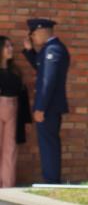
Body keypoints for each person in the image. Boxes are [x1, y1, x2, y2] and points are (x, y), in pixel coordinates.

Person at [22, 17, 70, 183]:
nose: (33, 38)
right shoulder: (50, 49)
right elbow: (42, 69)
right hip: (49, 107)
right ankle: (51, 179)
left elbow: (47, 81)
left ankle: (51, 181)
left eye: (33, 34)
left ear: (42, 31)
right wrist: (30, 52)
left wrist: (40, 108)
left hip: (48, 107)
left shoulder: (53, 50)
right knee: (48, 143)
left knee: (48, 144)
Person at [0, 36, 33, 187]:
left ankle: (7, 186)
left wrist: (26, 120)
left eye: (11, 46)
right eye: (7, 46)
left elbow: (23, 97)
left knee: (10, 149)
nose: (11, 49)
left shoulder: (15, 72)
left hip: (13, 109)